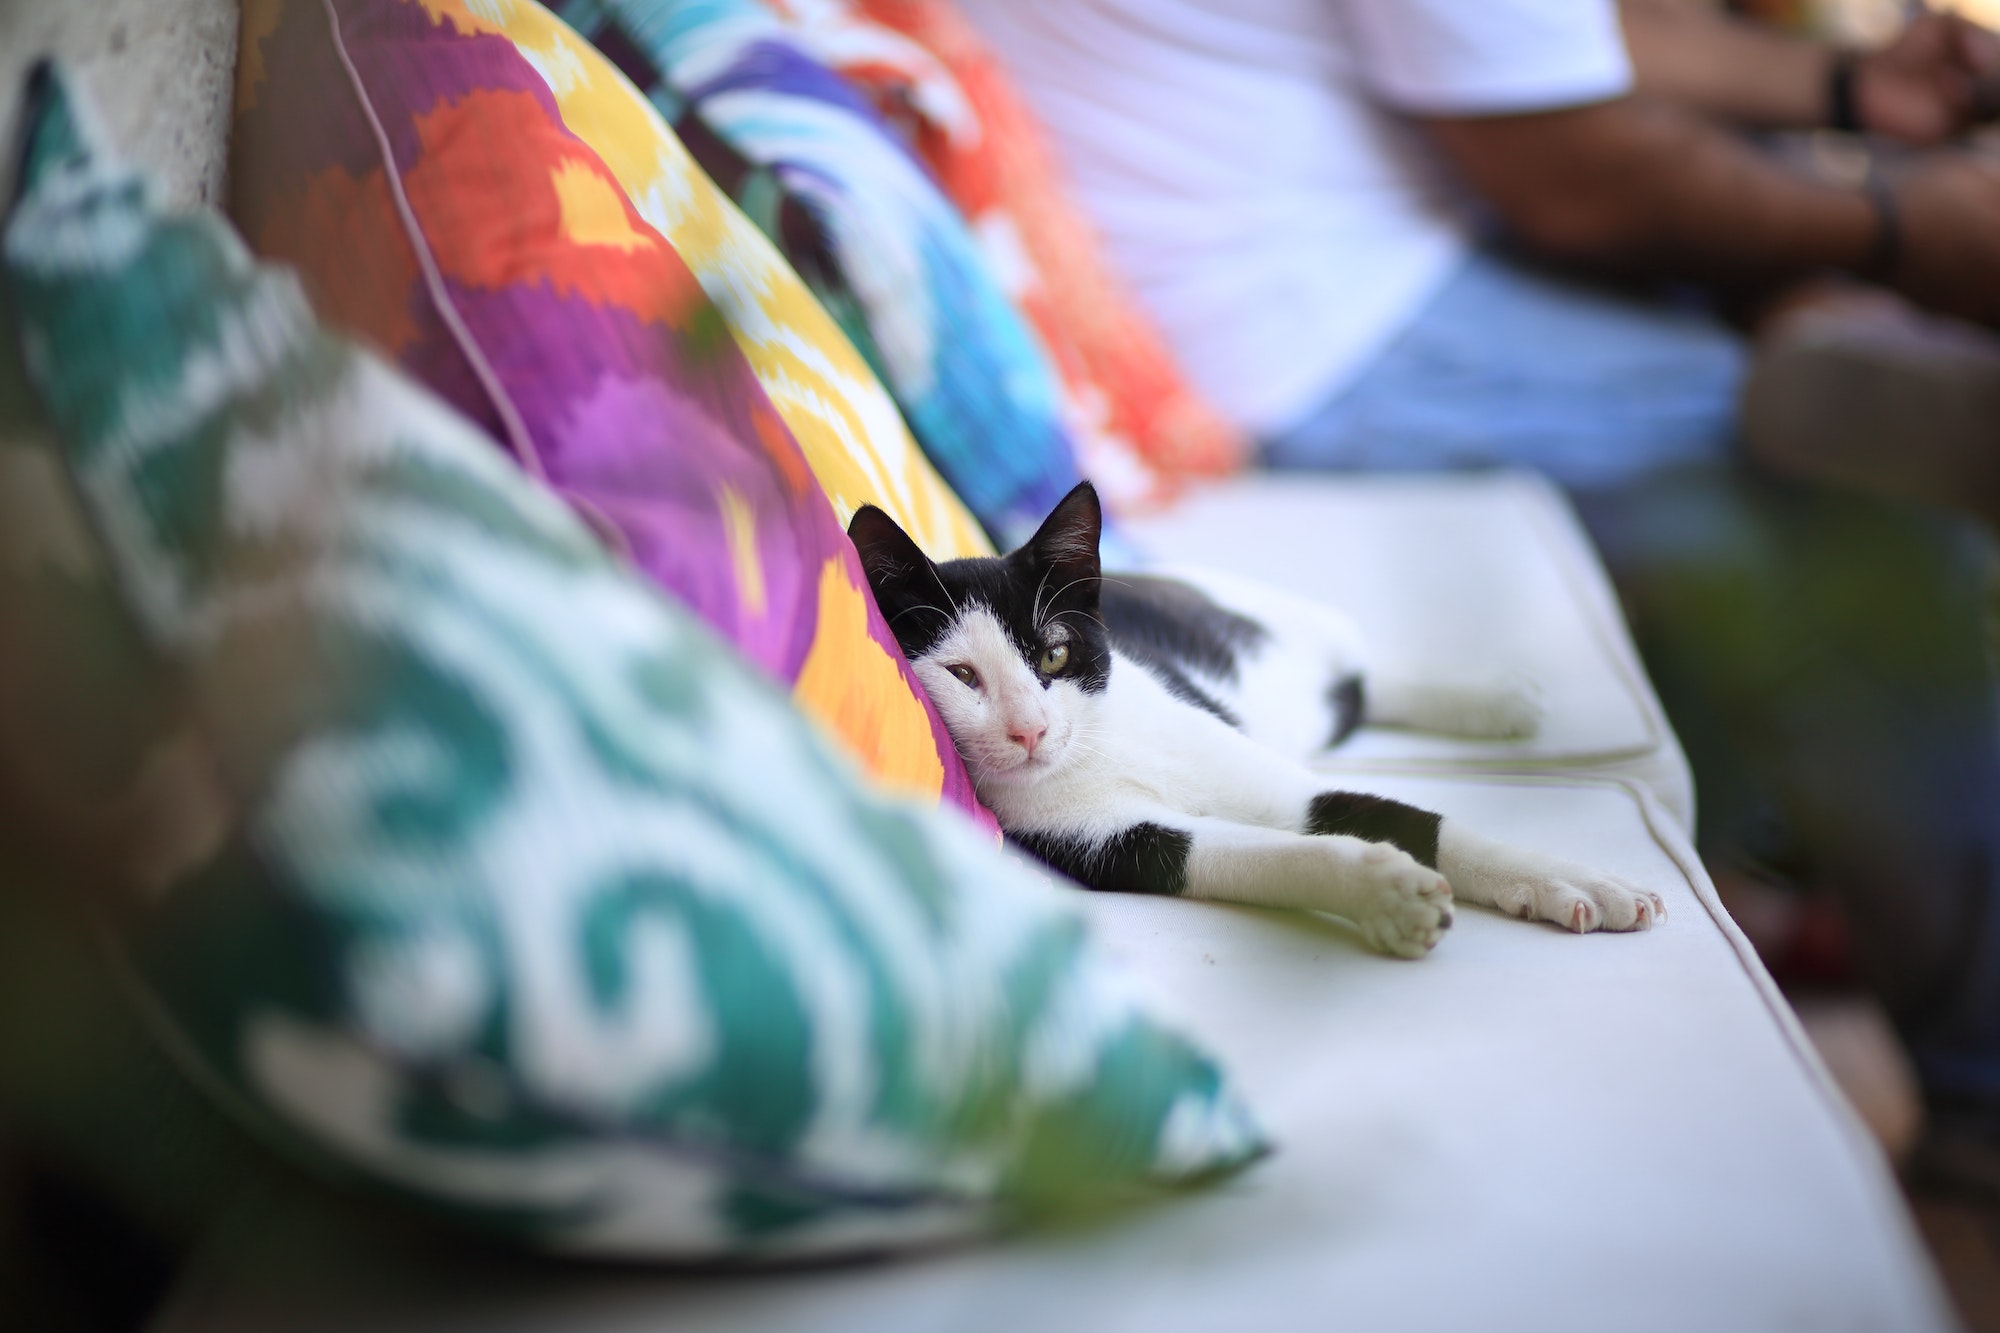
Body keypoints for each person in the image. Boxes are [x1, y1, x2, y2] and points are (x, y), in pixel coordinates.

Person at [957, 0, 2000, 1194]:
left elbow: (1529, 40)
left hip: (1308, 237)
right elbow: (1565, 164)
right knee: (1850, 510)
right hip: (1301, 315)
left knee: (1779, 301)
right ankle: (1986, 1088)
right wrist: (1895, 226)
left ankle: (1815, 335)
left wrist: (1850, 98)